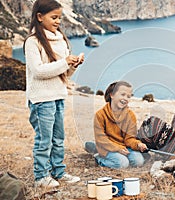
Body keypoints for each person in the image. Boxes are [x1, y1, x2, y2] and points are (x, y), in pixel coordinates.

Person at [23, 0, 83, 188]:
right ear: (40, 17)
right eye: (54, 17)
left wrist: (72, 66)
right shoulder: (32, 42)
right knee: (44, 140)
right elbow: (38, 71)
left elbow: (62, 74)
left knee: (58, 139)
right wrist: (65, 62)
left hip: (58, 96)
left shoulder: (61, 40)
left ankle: (58, 171)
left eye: (60, 18)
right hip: (41, 99)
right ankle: (41, 176)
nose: (58, 21)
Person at [85, 81, 148, 169]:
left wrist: (138, 144)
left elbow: (129, 138)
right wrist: (117, 149)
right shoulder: (100, 115)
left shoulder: (130, 115)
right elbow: (102, 139)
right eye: (122, 94)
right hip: (107, 147)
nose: (125, 98)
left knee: (138, 161)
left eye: (128, 96)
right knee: (122, 163)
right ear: (112, 95)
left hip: (124, 147)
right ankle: (98, 157)